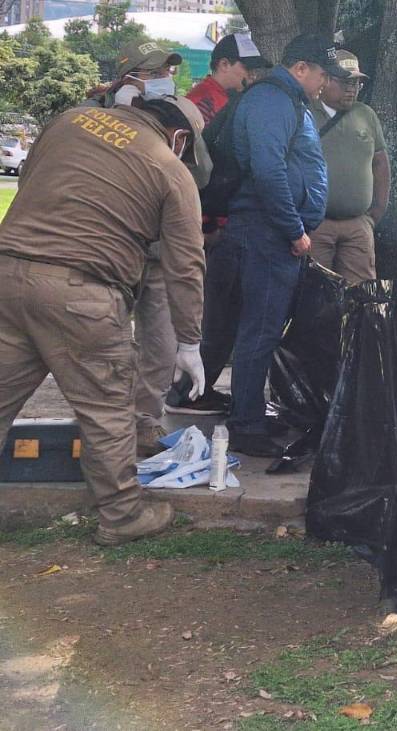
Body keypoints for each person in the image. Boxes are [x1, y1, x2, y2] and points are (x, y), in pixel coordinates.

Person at [0, 95, 207, 546]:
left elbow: (34, 182)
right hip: (83, 295)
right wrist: (189, 341)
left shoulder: (70, 120)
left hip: (8, 275)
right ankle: (122, 514)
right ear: (179, 138)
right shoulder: (170, 170)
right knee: (108, 410)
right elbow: (186, 264)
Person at [223, 34, 347, 458]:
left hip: (271, 231)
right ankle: (245, 426)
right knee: (259, 330)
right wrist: (295, 230)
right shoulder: (272, 101)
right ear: (299, 68)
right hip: (267, 232)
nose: (323, 84)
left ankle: (250, 413)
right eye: (321, 75)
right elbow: (268, 169)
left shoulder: (288, 102)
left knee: (264, 328)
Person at [85, 41, 195, 457]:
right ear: (128, 78)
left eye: (168, 71)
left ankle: (146, 423)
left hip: (162, 251)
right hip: (112, 253)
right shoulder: (93, 116)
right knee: (106, 346)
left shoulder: (178, 115)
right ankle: (105, 431)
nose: (166, 80)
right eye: (154, 73)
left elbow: (196, 175)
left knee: (162, 346)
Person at [165, 32, 270, 418]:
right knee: (215, 312)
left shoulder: (229, 101)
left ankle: (196, 388)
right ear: (223, 64)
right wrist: (207, 225)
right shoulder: (202, 104)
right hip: (209, 224)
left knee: (221, 310)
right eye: (247, 68)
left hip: (218, 221)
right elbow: (197, 173)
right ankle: (189, 392)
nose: (251, 76)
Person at [308, 50, 390, 283]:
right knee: (316, 294)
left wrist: (375, 213)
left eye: (357, 83)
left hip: (357, 225)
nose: (352, 89)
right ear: (325, 79)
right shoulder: (306, 114)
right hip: (317, 225)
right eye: (346, 82)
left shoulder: (366, 115)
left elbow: (381, 164)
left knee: (361, 296)